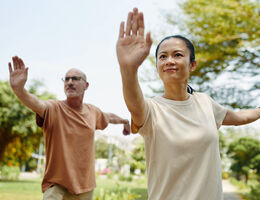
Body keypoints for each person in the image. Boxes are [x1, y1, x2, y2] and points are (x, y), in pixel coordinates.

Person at [116, 8, 260, 200]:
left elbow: (238, 118)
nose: (169, 61)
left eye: (177, 55)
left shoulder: (205, 103)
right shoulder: (152, 110)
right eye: (163, 56)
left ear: (192, 65)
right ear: (158, 66)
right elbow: (134, 103)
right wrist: (128, 69)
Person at [8, 56, 130, 200]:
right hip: (57, 188)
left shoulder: (92, 112)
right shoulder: (54, 108)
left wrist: (124, 121)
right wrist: (20, 90)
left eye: (75, 79)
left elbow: (108, 117)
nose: (70, 82)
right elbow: (36, 103)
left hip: (85, 188)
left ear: (86, 85)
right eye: (66, 79)